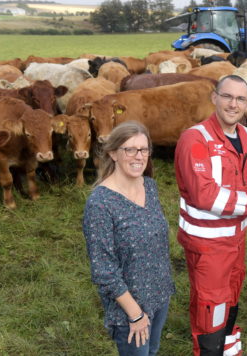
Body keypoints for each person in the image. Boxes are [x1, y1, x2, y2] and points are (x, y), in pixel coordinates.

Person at [174, 75, 247, 356]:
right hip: (207, 244)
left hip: (236, 240)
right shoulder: (195, 139)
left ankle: (228, 351)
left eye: (241, 99)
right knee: (211, 306)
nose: (233, 104)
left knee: (230, 298)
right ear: (214, 97)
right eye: (227, 96)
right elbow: (204, 195)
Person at [82, 121, 175, 356]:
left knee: (152, 351)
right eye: (129, 149)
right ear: (113, 153)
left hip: (159, 293)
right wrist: (136, 314)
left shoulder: (150, 186)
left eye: (143, 149)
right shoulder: (100, 203)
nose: (138, 156)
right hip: (129, 307)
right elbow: (104, 270)